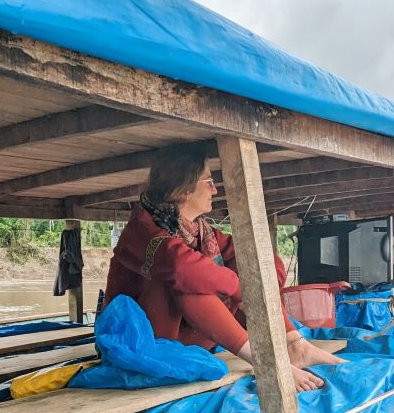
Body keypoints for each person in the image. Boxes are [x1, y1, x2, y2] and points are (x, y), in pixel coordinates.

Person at [105, 153, 344, 391]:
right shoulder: (143, 231)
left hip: (186, 340)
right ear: (184, 189)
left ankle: (295, 344)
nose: (215, 190)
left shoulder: (201, 231)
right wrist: (241, 289)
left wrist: (257, 282)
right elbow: (182, 268)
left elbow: (258, 260)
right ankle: (267, 363)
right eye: (209, 182)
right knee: (191, 282)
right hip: (140, 345)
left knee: (249, 275)